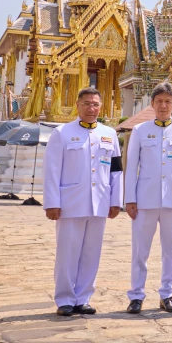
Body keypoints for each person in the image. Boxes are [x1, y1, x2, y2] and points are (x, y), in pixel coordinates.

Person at [43, 87, 122, 316]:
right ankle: (65, 299)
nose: (91, 108)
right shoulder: (62, 133)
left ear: (101, 106)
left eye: (95, 104)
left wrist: (115, 200)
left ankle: (83, 298)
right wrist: (52, 202)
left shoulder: (109, 134)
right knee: (68, 253)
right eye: (86, 103)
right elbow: (51, 170)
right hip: (70, 202)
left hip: (100, 202)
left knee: (91, 253)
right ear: (77, 105)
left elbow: (116, 170)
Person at [124, 82, 172, 314]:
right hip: (145, 199)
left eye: (167, 101)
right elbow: (131, 166)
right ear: (152, 103)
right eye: (159, 101)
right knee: (140, 250)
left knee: (171, 250)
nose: (163, 105)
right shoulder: (140, 130)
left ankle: (167, 294)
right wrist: (130, 198)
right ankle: (136, 295)